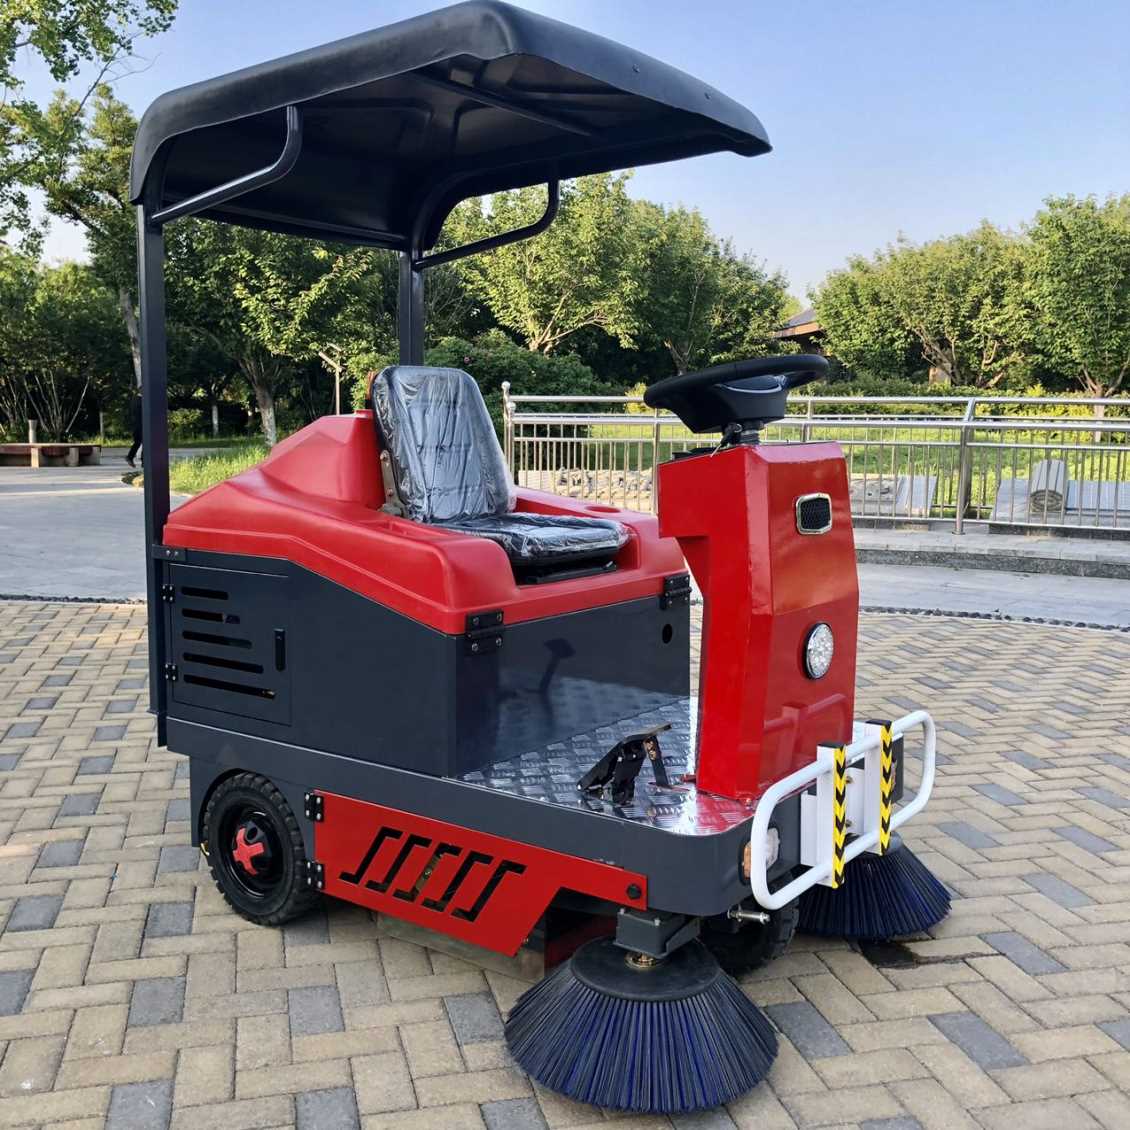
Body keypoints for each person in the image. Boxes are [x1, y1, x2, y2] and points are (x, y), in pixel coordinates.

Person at [126, 394, 143, 468]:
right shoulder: (142, 400)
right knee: (145, 443)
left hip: (135, 424)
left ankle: (130, 457)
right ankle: (144, 462)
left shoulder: (134, 399)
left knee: (137, 442)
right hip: (141, 425)